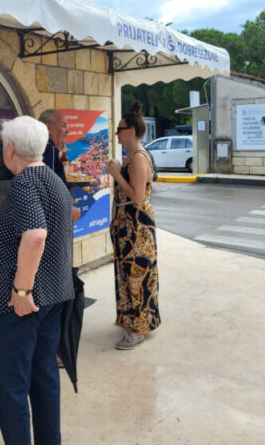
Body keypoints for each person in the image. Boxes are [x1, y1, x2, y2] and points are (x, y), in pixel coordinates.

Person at [0, 116, 73, 445]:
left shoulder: (24, 183)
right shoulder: (52, 179)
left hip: (21, 306)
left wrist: (22, 291)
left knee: (11, 387)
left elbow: (35, 235)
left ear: (10, 148)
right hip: (51, 297)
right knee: (43, 378)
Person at [107, 102, 159, 349]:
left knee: (136, 276)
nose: (117, 133)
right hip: (129, 227)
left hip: (136, 227)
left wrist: (117, 175)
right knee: (128, 274)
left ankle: (138, 329)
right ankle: (133, 320)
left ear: (131, 131)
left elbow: (137, 197)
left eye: (120, 129)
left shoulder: (138, 158)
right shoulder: (134, 156)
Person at [38, 109, 81, 223]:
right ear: (48, 128)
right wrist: (67, 209)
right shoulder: (49, 149)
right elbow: (49, 188)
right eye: (64, 126)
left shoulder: (42, 148)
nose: (68, 131)